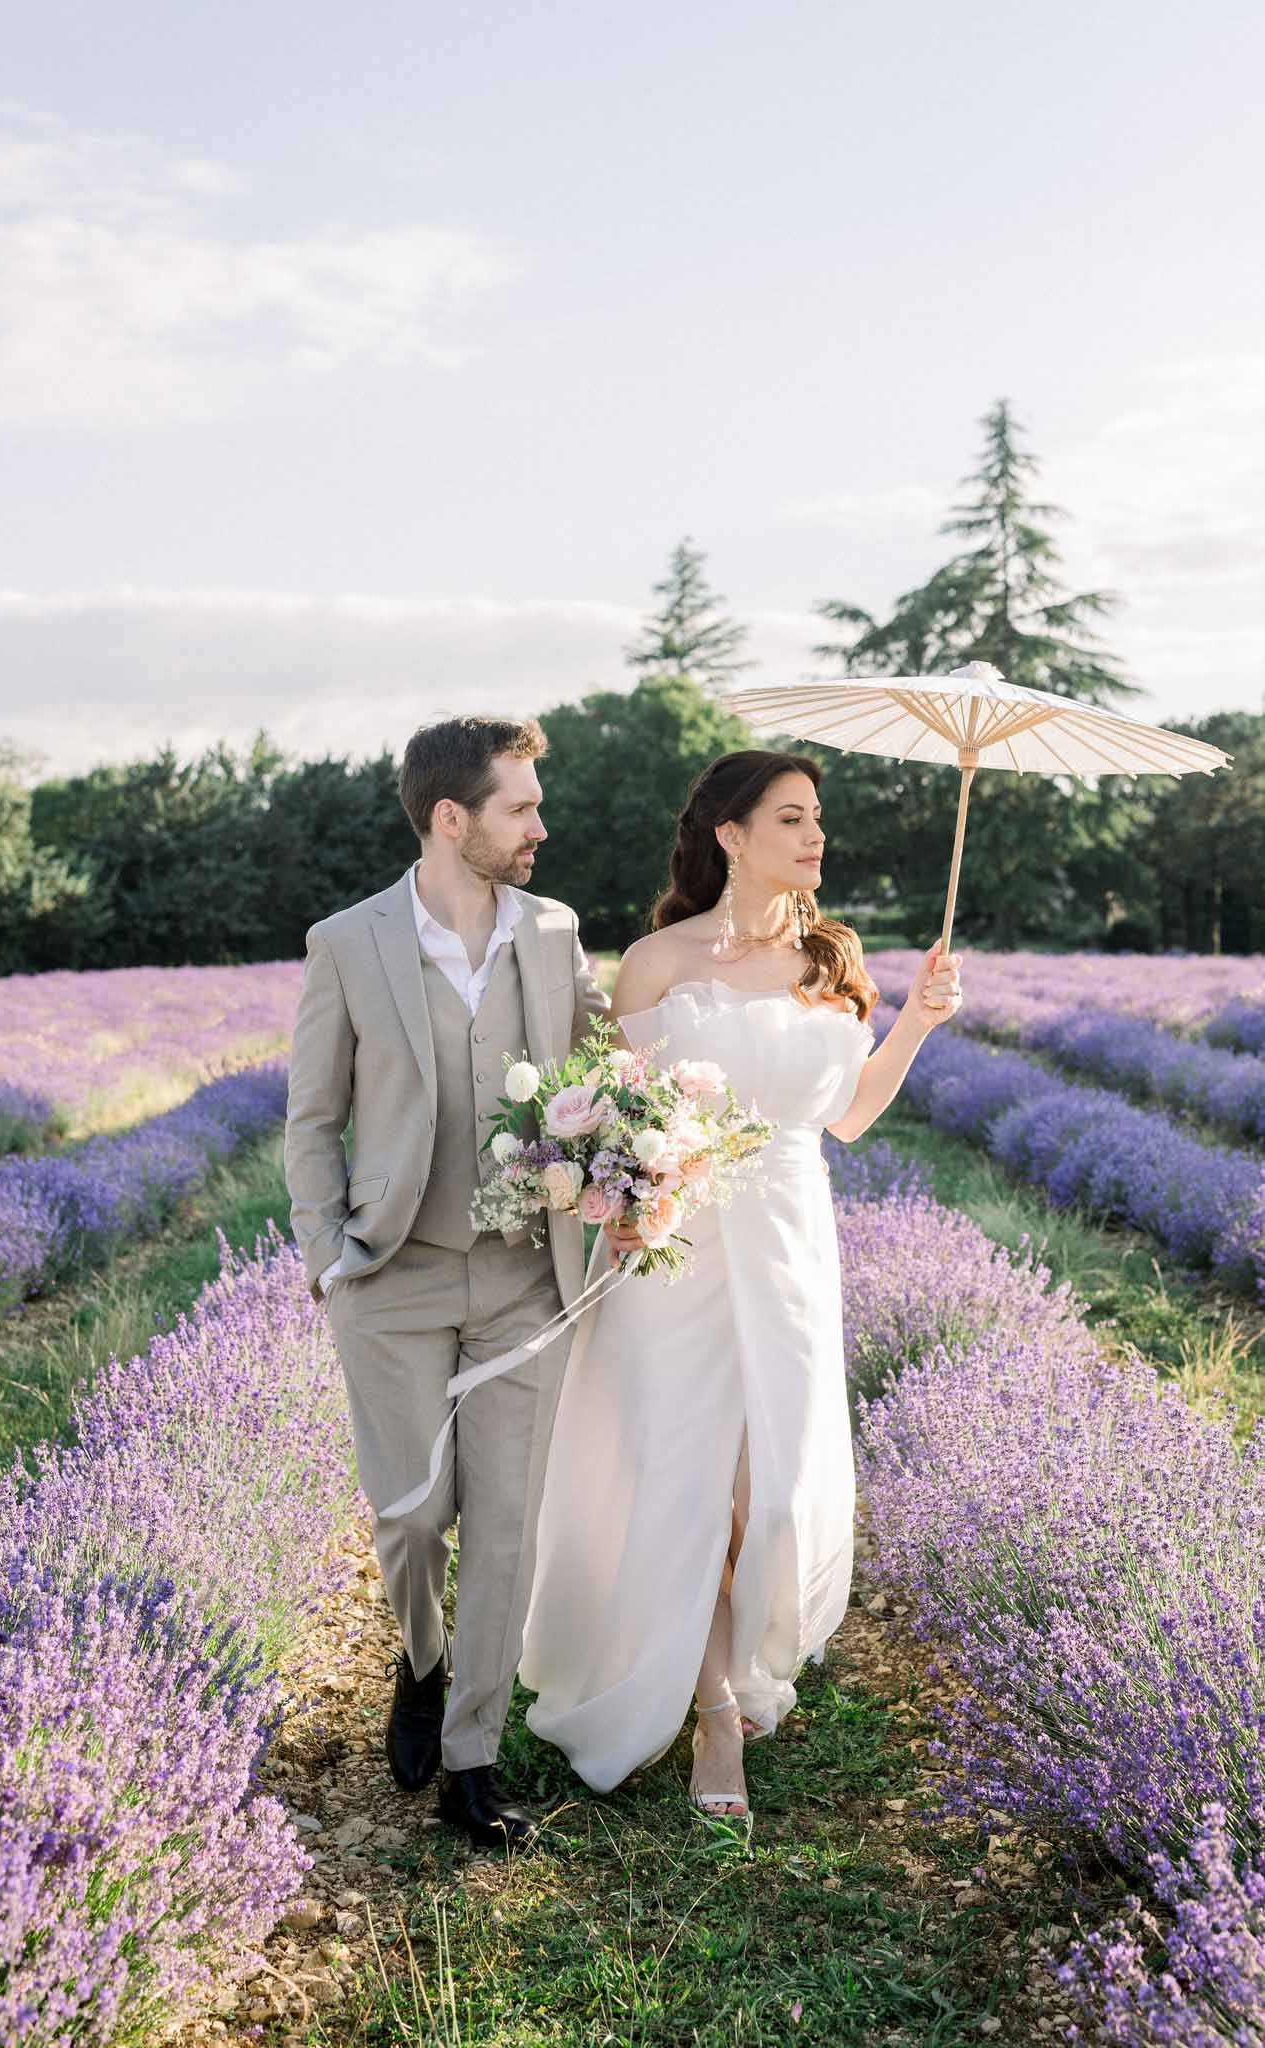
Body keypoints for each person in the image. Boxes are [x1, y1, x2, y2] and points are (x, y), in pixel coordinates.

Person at [520, 748, 963, 1823]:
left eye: (819, 821)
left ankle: (734, 1662)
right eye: (793, 818)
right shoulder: (657, 960)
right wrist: (621, 1201)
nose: (816, 839)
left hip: (794, 1241)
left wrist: (915, 1021)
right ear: (730, 834)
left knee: (777, 1488)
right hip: (678, 1243)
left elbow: (847, 1115)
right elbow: (611, 1116)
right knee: (687, 1476)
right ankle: (714, 1709)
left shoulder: (830, 956)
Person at [284, 714, 608, 1849]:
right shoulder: (347, 941)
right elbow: (313, 1118)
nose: (540, 826)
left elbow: (602, 1071)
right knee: (412, 1517)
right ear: (451, 817)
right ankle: (419, 1660)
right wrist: (331, 1249)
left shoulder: (556, 932)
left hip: (527, 1277)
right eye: (519, 806)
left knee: (507, 1526)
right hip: (394, 1275)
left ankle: (474, 1753)